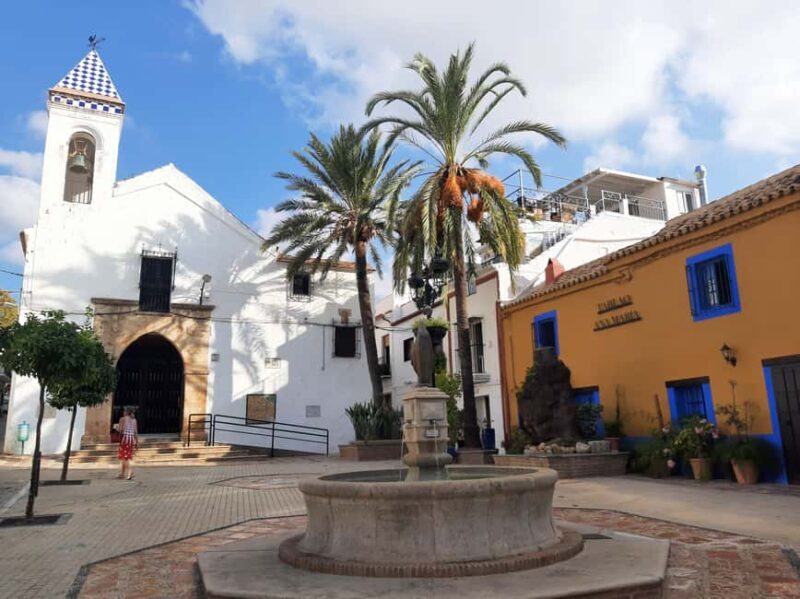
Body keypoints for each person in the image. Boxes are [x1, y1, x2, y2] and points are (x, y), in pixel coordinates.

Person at [117, 407, 138, 480]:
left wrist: (117, 428)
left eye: (124, 411)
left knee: (124, 457)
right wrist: (137, 442)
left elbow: (120, 430)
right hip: (131, 440)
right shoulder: (134, 420)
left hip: (124, 439)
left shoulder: (122, 419)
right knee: (125, 456)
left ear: (126, 412)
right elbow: (135, 432)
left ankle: (130, 472)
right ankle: (122, 474)